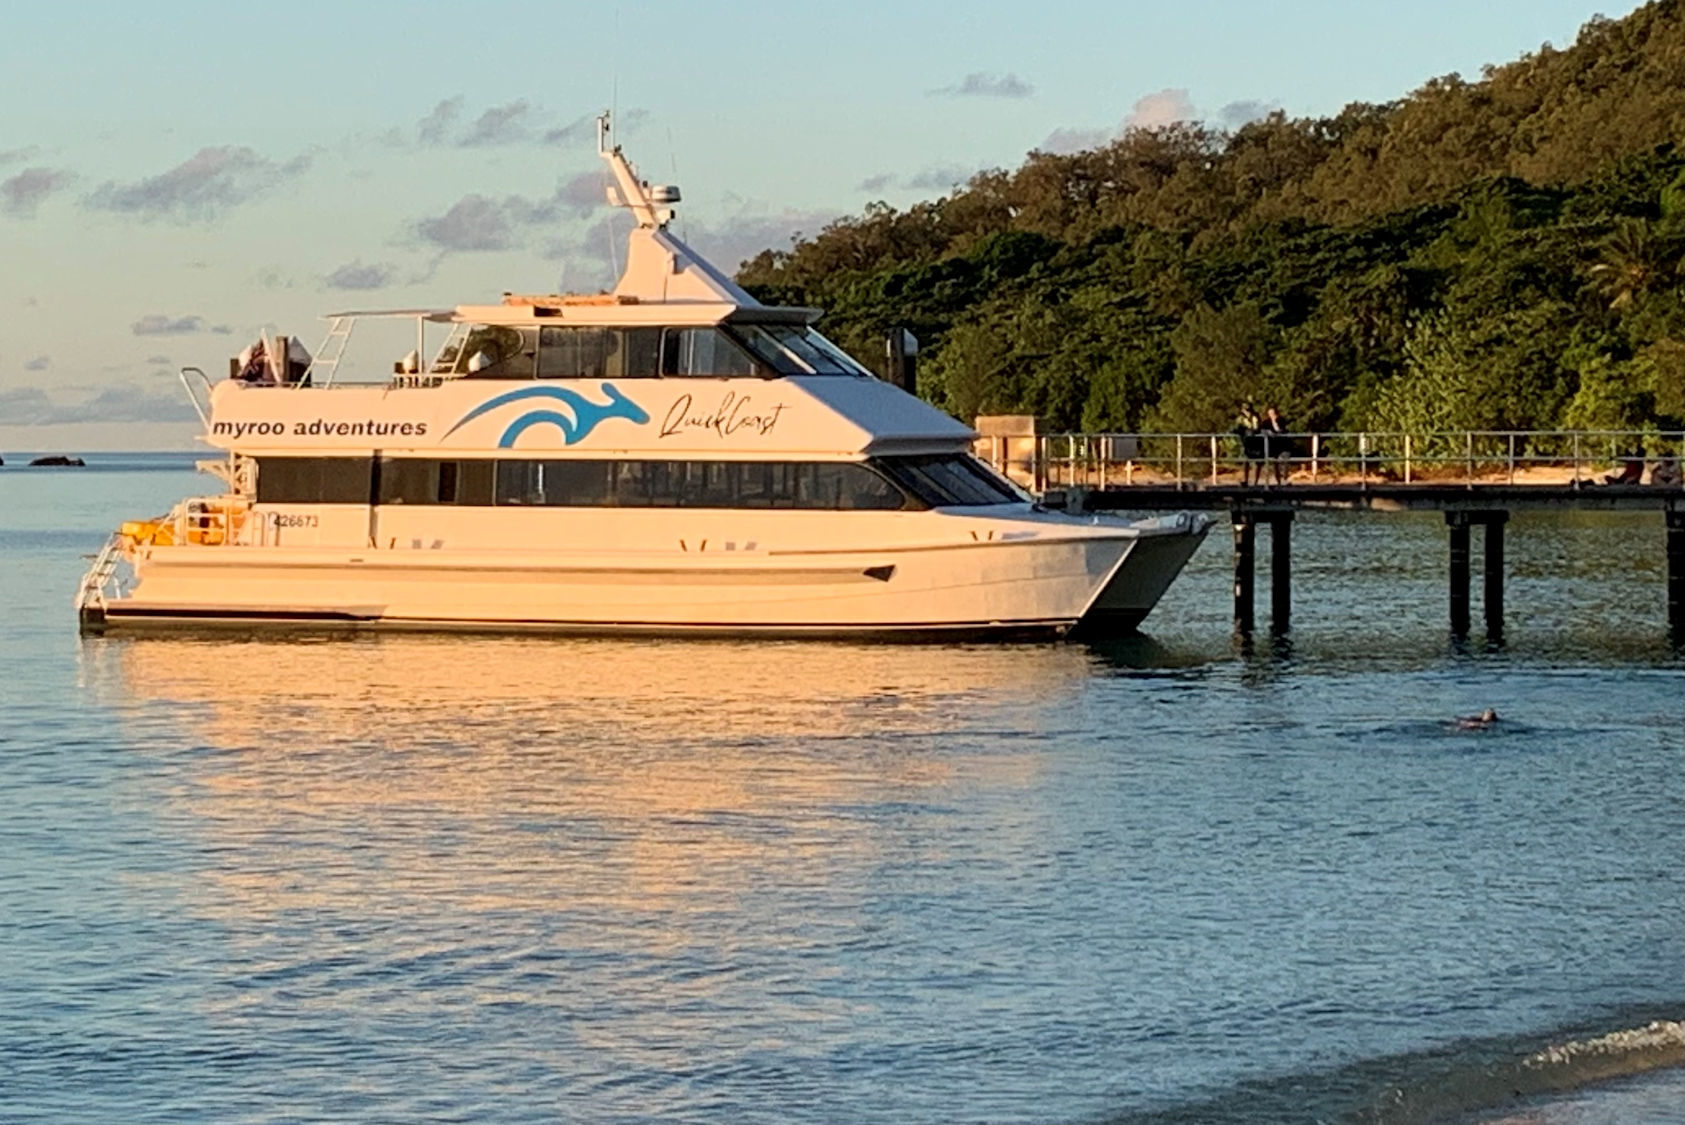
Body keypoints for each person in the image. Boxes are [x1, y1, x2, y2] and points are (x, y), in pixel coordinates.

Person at [1261, 406, 1291, 486]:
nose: (1272, 415)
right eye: (1270, 413)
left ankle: (1285, 478)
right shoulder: (1266, 422)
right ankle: (1278, 480)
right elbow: (1262, 430)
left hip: (1283, 444)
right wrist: (1268, 432)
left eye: (1273, 413)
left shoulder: (1281, 420)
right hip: (1273, 445)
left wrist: (1277, 430)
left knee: (1284, 461)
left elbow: (1284, 429)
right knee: (1275, 463)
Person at [1234, 402, 1262, 486]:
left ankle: (1256, 481)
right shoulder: (1240, 418)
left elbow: (1256, 428)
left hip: (1256, 441)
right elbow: (1237, 428)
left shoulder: (1255, 417)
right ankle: (1245, 480)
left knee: (1259, 462)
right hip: (1247, 442)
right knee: (1246, 461)